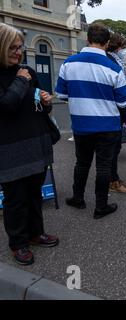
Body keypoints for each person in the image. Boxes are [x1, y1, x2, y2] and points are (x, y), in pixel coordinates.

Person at [56, 23, 126, 220]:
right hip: (108, 126)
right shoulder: (114, 68)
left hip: (81, 125)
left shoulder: (68, 63)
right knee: (103, 167)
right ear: (106, 43)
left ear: (87, 39)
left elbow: (61, 94)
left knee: (82, 163)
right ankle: (101, 206)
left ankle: (77, 198)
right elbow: (123, 101)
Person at [0, 23, 58, 265]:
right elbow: (6, 106)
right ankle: (18, 243)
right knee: (15, 198)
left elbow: (38, 104)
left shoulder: (27, 71)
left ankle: (36, 233)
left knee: (35, 193)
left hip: (36, 141)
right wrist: (22, 81)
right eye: (12, 48)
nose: (18, 52)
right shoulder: (20, 76)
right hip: (10, 147)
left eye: (20, 47)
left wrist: (46, 101)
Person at [106, 33, 126, 194]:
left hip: (109, 111)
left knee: (107, 151)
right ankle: (113, 181)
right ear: (116, 47)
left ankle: (112, 179)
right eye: (123, 48)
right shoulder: (114, 64)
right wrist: (125, 117)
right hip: (113, 113)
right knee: (112, 149)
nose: (124, 52)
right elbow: (119, 94)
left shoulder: (112, 61)